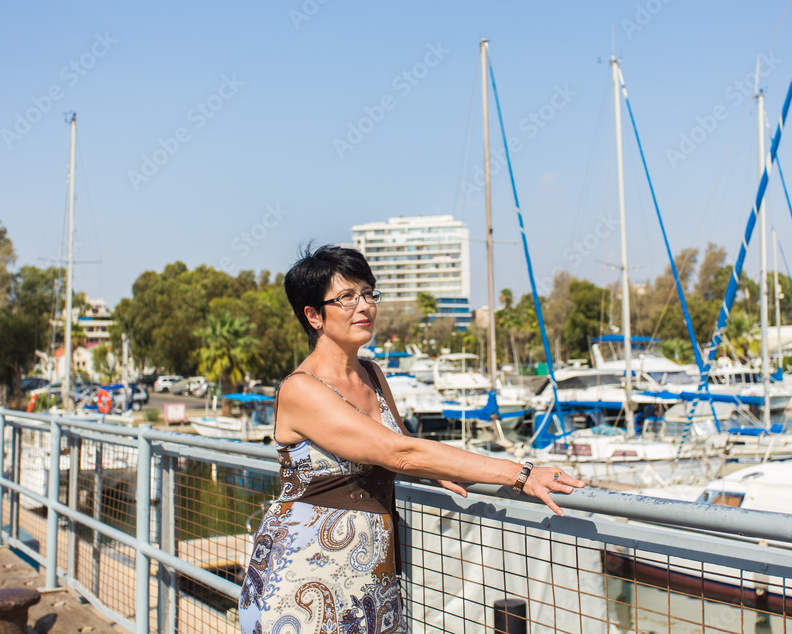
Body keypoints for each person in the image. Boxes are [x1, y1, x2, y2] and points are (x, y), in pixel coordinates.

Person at [238, 244, 585, 633]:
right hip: (303, 572)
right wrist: (520, 473)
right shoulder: (302, 389)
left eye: (369, 293)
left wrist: (434, 469)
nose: (364, 306)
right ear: (314, 315)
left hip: (370, 571)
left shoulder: (371, 373)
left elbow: (398, 444)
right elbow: (398, 452)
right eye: (347, 297)